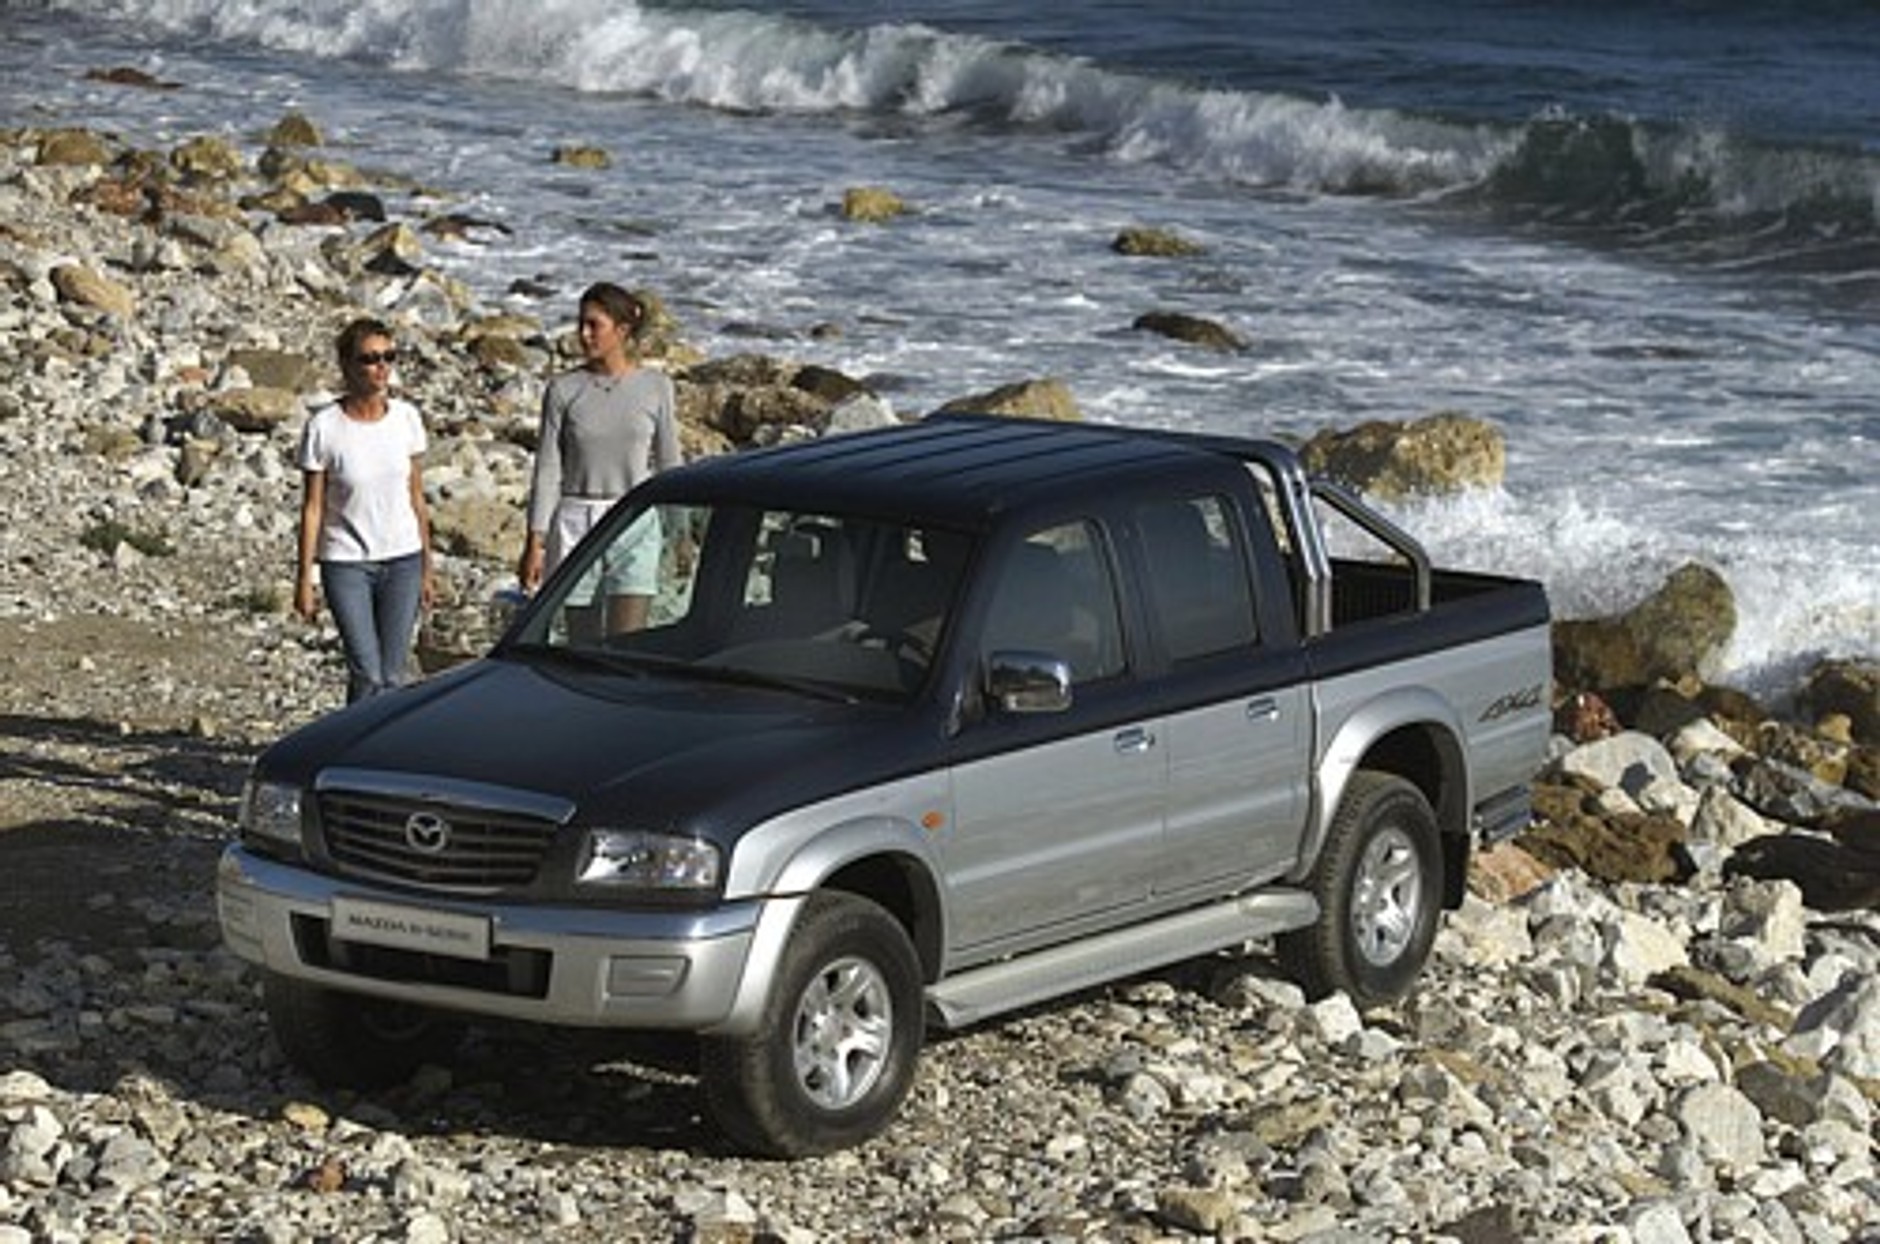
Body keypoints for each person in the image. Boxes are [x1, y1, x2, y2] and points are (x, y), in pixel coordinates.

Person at [518, 282, 681, 635]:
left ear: (622, 331)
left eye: (594, 325)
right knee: (582, 643)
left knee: (627, 642)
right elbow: (548, 468)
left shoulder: (656, 387)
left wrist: (679, 532)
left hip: (635, 520)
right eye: (581, 324)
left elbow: (670, 463)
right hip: (576, 522)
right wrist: (535, 540)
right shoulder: (563, 389)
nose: (583, 333)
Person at [294, 317, 435, 703]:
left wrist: (427, 565)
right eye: (370, 359)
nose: (381, 367)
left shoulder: (407, 418)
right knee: (367, 670)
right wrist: (305, 578)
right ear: (347, 365)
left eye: (388, 356)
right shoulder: (324, 427)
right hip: (346, 562)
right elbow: (312, 508)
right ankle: (353, 747)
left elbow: (416, 497)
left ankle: (367, 751)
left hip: (403, 559)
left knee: (392, 675)